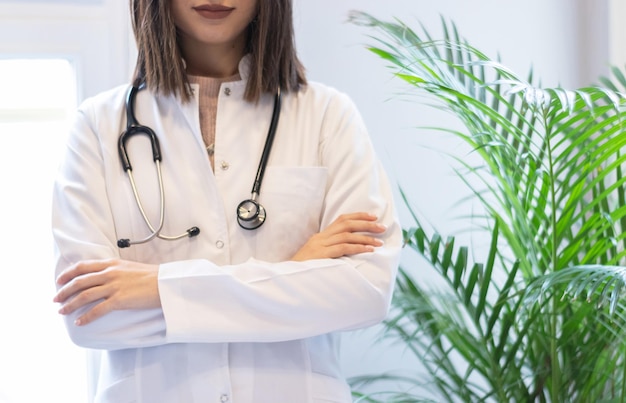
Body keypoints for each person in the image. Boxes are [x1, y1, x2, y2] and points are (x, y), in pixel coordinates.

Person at [51, 0, 401, 402]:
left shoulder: (327, 116)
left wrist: (155, 287)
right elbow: (89, 316)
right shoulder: (97, 126)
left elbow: (364, 292)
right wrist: (293, 272)